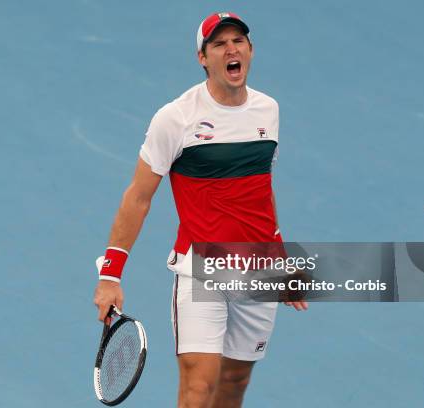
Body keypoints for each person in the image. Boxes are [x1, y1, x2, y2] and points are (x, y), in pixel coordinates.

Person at [93, 11, 308, 407]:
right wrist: (110, 274)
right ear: (203, 58)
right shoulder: (175, 119)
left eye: (238, 41)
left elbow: (260, 193)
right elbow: (138, 197)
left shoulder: (268, 111)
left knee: (234, 383)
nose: (231, 49)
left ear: (250, 50)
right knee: (198, 386)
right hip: (200, 269)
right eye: (219, 44)